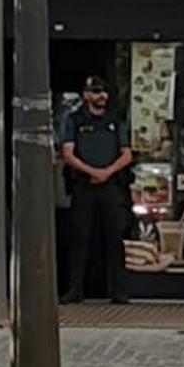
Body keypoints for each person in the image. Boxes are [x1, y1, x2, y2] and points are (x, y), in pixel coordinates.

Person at [58, 75, 133, 304]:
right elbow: (68, 153)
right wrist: (91, 171)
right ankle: (75, 289)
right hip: (84, 186)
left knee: (114, 237)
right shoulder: (75, 120)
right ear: (86, 95)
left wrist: (107, 172)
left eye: (104, 92)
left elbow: (127, 154)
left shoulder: (114, 120)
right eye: (97, 91)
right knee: (80, 237)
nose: (102, 96)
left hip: (110, 186)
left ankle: (118, 291)